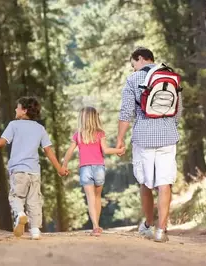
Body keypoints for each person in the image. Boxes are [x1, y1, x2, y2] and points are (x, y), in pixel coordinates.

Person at [116, 47, 182, 242]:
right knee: (164, 182)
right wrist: (169, 126)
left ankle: (148, 225)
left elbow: (126, 113)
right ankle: (162, 230)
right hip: (168, 137)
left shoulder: (133, 80)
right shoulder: (171, 76)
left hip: (143, 137)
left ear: (141, 59)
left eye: (133, 64)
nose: (133, 68)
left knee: (145, 183)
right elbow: (177, 111)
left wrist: (120, 139)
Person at [0, 97, 67, 240]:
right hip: (34, 172)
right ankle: (35, 230)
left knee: (16, 196)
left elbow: (1, 142)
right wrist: (59, 168)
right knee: (34, 200)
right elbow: (48, 150)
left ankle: (20, 214)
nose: (15, 109)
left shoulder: (14, 125)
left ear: (24, 111)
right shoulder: (40, 128)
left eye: (17, 107)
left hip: (18, 170)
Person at [62, 107, 125, 237]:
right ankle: (98, 225)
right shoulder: (100, 133)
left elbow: (69, 151)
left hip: (85, 169)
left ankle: (95, 226)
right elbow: (106, 150)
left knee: (90, 198)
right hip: (99, 168)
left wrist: (64, 165)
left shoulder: (78, 135)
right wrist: (119, 150)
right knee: (97, 197)